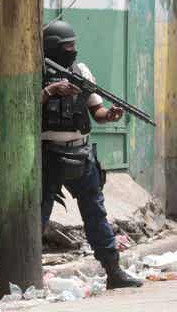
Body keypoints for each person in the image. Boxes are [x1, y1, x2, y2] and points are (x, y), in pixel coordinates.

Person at [40, 20, 142, 289]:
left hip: (81, 154)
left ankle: (113, 271)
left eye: (74, 46)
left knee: (96, 214)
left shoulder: (80, 70)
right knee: (37, 217)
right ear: (52, 48)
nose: (73, 51)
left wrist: (110, 115)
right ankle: (26, 273)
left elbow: (96, 111)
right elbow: (22, 107)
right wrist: (51, 91)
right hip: (47, 156)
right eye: (67, 47)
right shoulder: (34, 71)